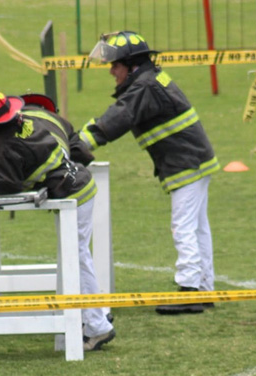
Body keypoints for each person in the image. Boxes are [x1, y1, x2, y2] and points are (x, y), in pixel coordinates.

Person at [0, 88, 115, 351]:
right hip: (79, 188)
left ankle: (98, 327)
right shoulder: (32, 119)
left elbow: (6, 184)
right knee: (78, 255)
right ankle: (96, 317)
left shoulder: (1, 146)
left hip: (74, 195)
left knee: (76, 256)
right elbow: (75, 143)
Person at [79, 31, 220, 315]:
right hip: (193, 159)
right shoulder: (149, 79)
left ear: (131, 65)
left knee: (183, 226)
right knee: (196, 226)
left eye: (114, 66)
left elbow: (114, 121)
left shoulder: (143, 87)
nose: (111, 72)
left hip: (185, 163)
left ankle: (190, 291)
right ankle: (204, 288)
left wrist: (75, 145)